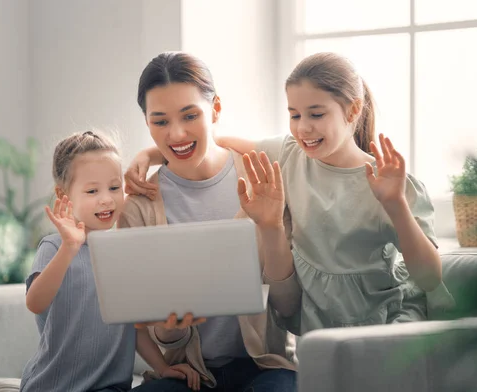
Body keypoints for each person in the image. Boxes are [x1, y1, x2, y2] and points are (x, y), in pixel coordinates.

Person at [126, 52, 454, 336]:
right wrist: (150, 155)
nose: (302, 128)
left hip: (382, 323)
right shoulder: (288, 152)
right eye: (294, 115)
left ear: (353, 111)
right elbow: (214, 141)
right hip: (319, 329)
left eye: (316, 114)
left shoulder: (388, 181)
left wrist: (395, 203)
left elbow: (428, 278)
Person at [119, 52, 297, 392]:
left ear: (215, 109)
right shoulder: (138, 207)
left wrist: (272, 227)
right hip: (188, 374)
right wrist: (172, 327)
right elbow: (152, 329)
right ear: (146, 123)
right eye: (160, 121)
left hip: (265, 368)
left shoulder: (263, 177)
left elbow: (288, 307)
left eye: (190, 115)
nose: (176, 133)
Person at [20, 130, 199, 392]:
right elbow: (35, 303)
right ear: (64, 196)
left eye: (114, 188)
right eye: (92, 190)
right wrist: (70, 247)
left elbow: (131, 328)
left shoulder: (124, 252)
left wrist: (162, 368)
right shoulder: (54, 247)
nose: (106, 199)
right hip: (53, 386)